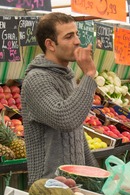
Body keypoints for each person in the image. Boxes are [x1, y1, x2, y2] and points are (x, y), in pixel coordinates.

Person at [21, 12, 99, 185]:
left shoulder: (67, 76)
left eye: (76, 34)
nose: (77, 41)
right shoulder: (37, 79)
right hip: (48, 186)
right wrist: (89, 74)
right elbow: (65, 119)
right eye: (69, 36)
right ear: (50, 44)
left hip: (74, 184)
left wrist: (94, 174)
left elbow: (75, 131)